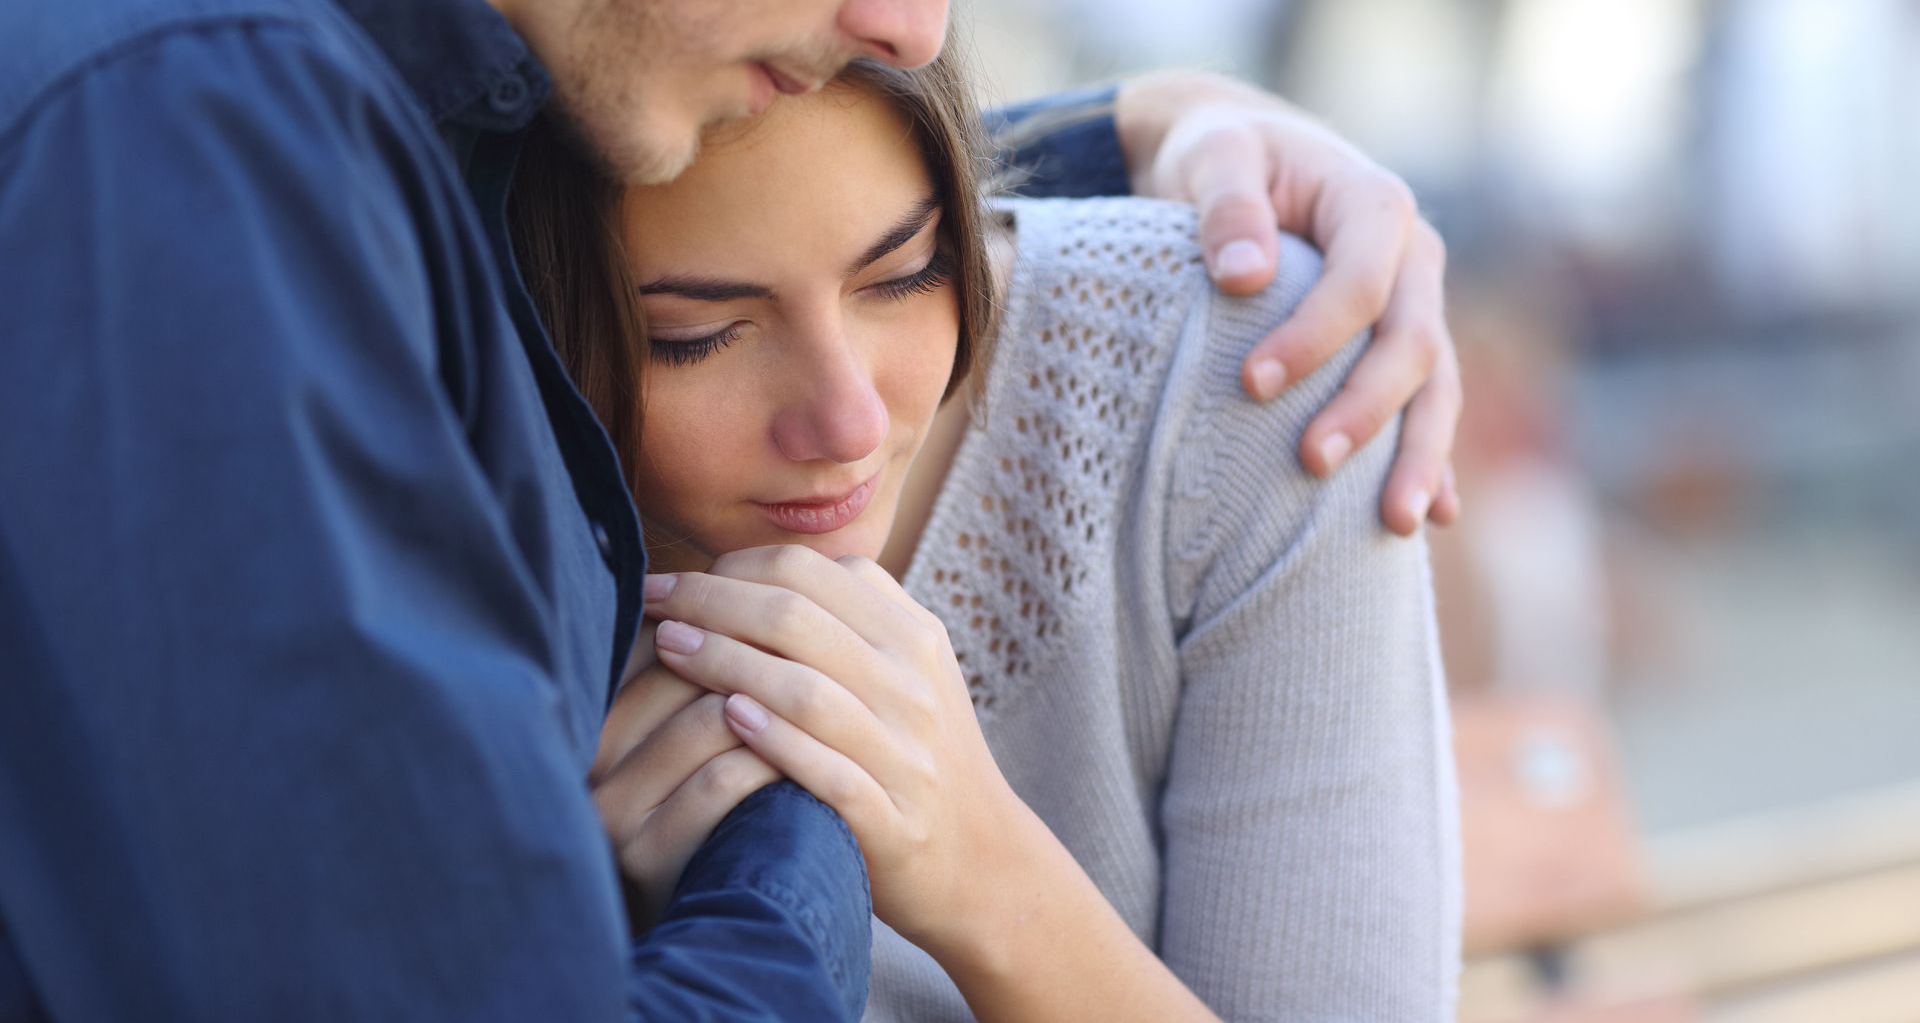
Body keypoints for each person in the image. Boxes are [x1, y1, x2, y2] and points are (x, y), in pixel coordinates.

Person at [0, 0, 1458, 1018]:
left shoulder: (251, 75)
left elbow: (624, 200)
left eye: (904, 268)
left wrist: (1128, 139)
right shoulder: (183, 132)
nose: (917, 18)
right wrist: (805, 801)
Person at [532, 53, 1458, 1020]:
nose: (849, 423)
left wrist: (985, 878)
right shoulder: (459, 553)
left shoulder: (1241, 380)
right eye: (698, 335)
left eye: (903, 273)